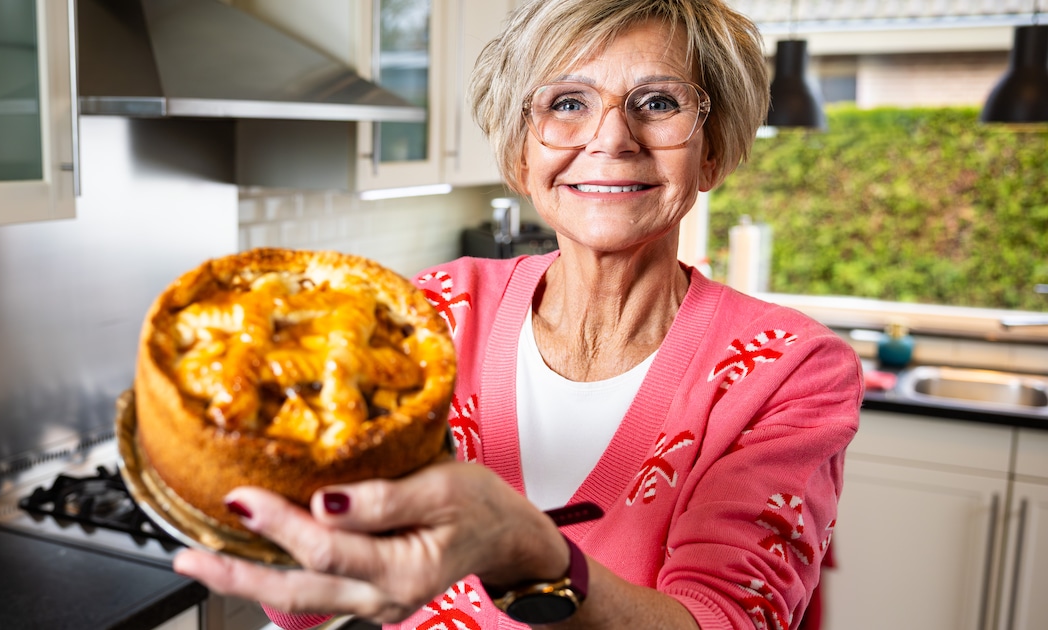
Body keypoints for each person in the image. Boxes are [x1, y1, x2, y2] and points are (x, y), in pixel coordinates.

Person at [173, 0, 863, 628]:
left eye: (656, 102)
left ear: (711, 152)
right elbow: (307, 595)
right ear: (518, 152)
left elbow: (724, 622)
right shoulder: (432, 314)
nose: (611, 138)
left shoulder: (789, 370)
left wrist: (535, 561)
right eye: (567, 103)